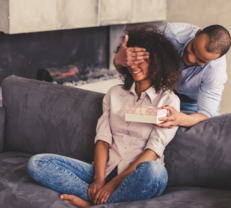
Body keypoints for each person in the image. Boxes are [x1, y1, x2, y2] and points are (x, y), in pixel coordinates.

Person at [26, 25, 181, 208]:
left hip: (139, 177)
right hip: (107, 169)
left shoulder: (168, 100)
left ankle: (89, 205)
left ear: (157, 62)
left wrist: (112, 185)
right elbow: (103, 139)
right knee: (37, 163)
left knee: (155, 171)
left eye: (142, 60)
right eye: (130, 59)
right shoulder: (114, 94)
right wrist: (99, 179)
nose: (133, 65)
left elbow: (152, 152)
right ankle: (104, 202)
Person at [114, 23, 231, 128]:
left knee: (206, 131)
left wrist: (182, 119)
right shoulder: (170, 33)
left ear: (214, 59)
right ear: (197, 33)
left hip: (193, 104)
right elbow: (136, 65)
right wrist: (119, 59)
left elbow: (207, 113)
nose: (190, 59)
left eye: (200, 60)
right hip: (162, 92)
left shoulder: (216, 71)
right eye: (192, 48)